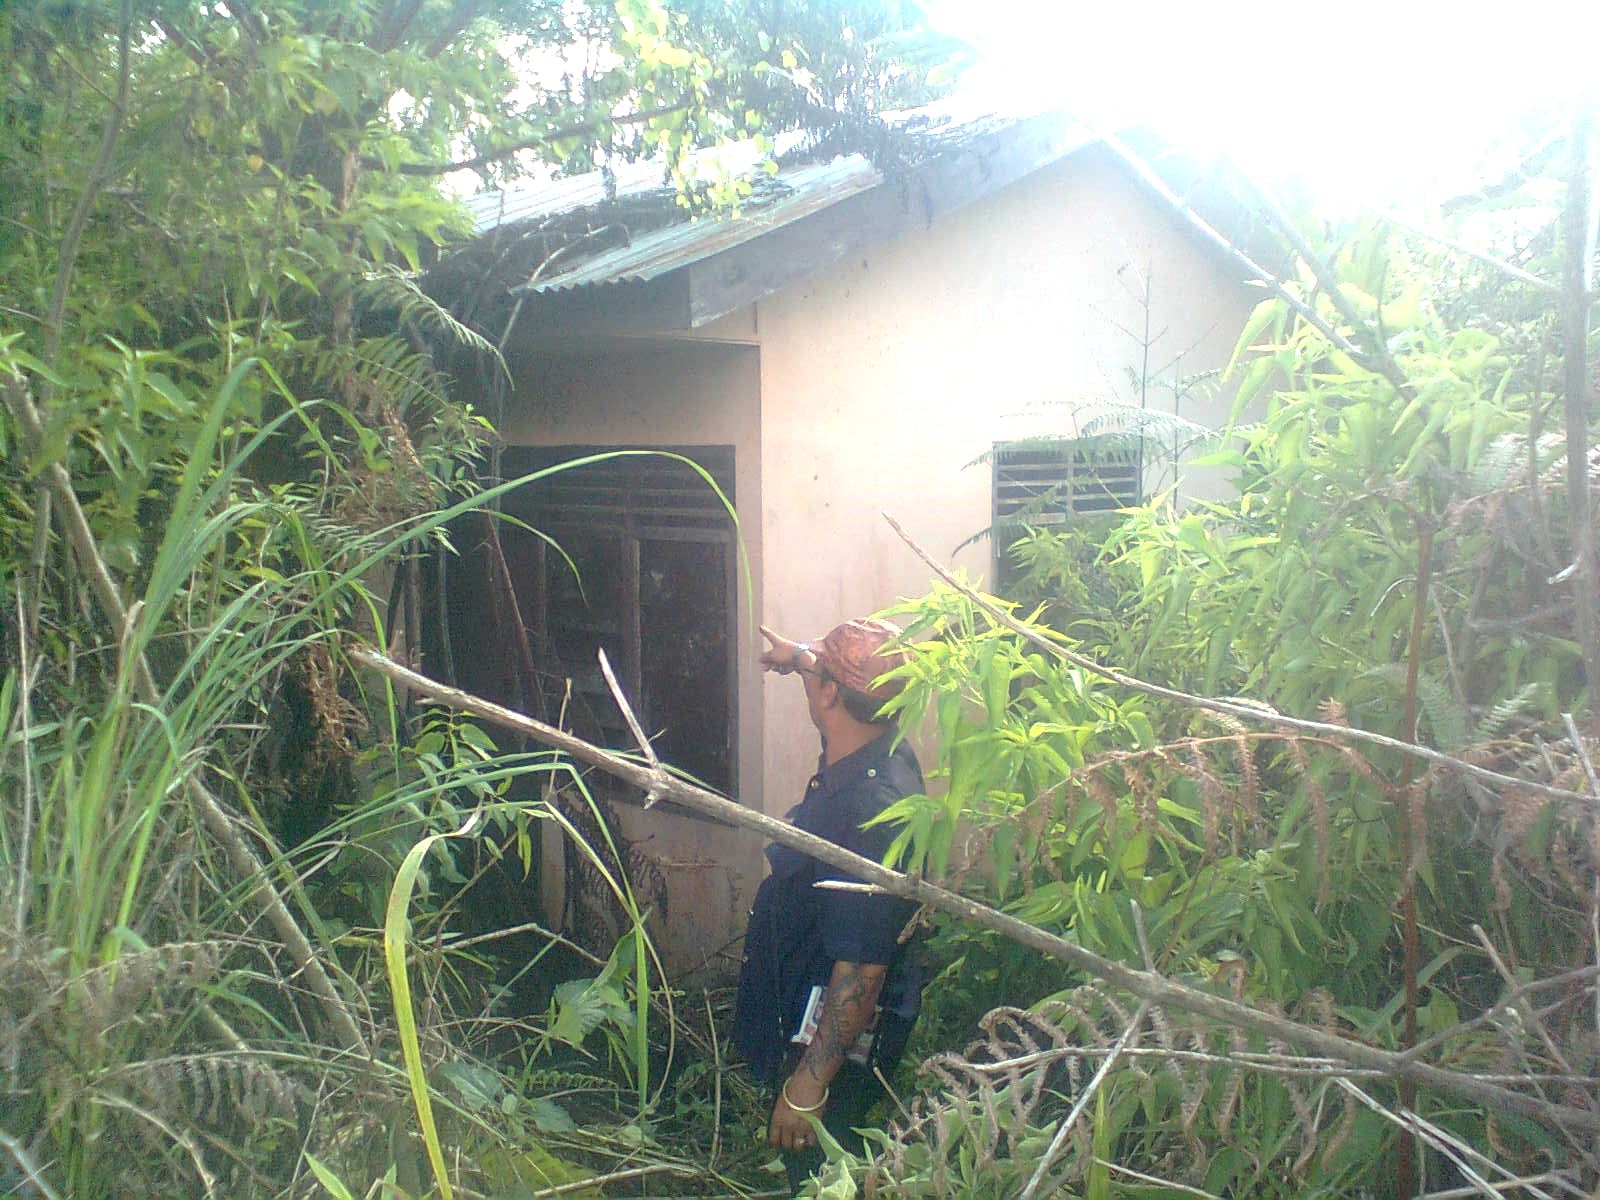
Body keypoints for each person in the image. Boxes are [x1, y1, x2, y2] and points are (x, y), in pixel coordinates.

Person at [732, 617, 924, 1194]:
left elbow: (863, 970)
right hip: (813, 1007)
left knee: (815, 1174)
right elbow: (837, 692)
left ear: (831, 695)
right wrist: (800, 660)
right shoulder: (876, 745)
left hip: (833, 1049)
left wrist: (808, 1085)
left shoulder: (867, 810)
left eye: (821, 671)